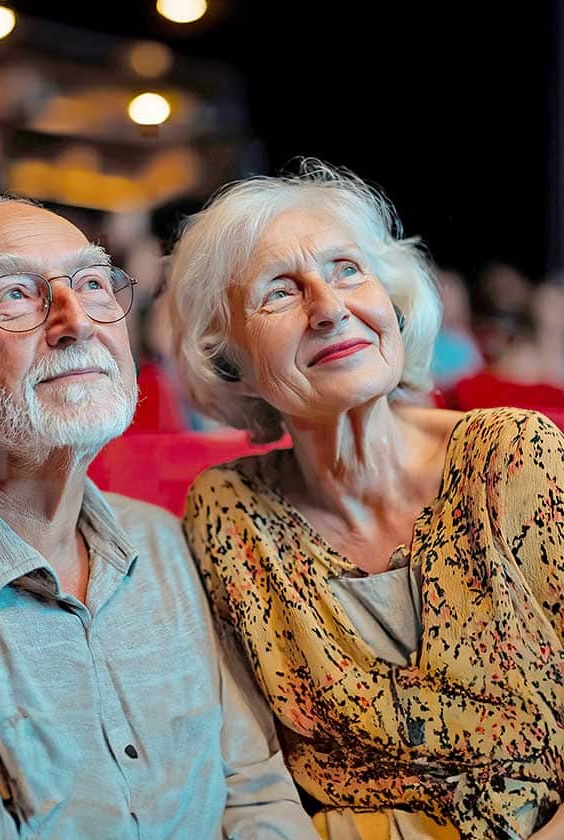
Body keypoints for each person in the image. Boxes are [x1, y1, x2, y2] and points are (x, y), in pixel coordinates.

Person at [0, 196, 313, 838]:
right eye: (13, 294)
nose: (76, 321)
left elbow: (256, 797)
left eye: (94, 284)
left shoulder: (164, 539)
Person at [166, 160, 564, 840]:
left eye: (347, 269)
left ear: (393, 299)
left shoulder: (512, 456)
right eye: (279, 292)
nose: (329, 307)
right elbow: (243, 767)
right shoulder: (229, 515)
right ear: (229, 358)